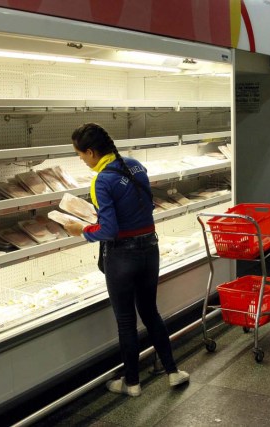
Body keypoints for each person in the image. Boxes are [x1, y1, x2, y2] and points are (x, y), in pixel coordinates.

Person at [63, 123, 189, 397]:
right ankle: (172, 372)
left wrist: (80, 229)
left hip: (122, 256)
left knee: (125, 321)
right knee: (150, 312)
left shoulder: (101, 180)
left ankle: (131, 383)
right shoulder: (135, 166)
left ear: (92, 151)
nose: (81, 160)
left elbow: (107, 230)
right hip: (149, 249)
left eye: (80, 155)